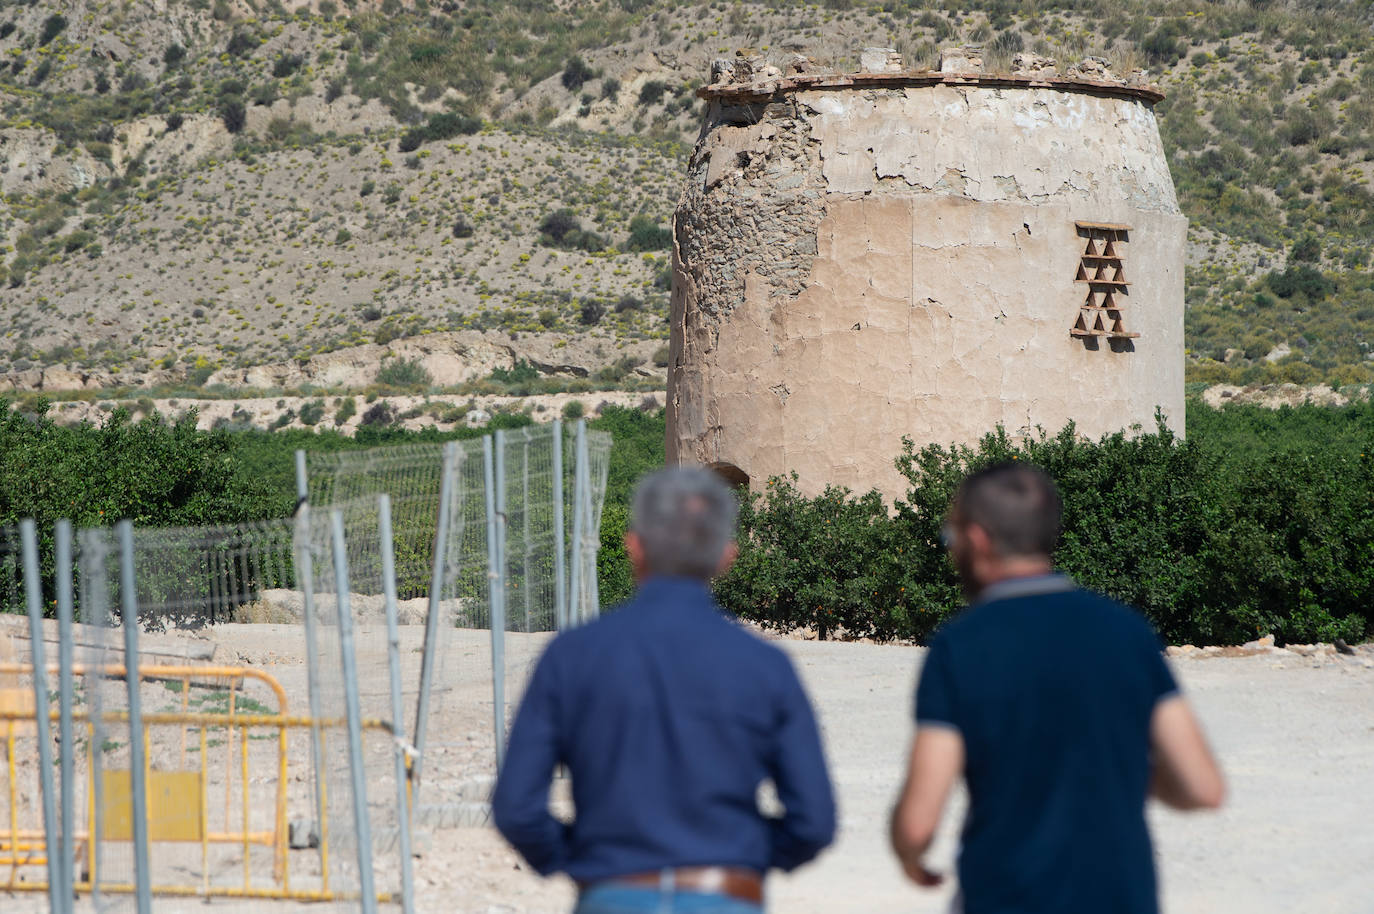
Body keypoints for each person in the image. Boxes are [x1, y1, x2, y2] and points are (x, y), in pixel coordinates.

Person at [492, 467, 836, 913]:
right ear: (726, 556)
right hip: (726, 893)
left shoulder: (571, 656)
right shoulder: (766, 667)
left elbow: (516, 808)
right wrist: (745, 857)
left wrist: (582, 859)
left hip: (613, 892)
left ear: (634, 545)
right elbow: (814, 821)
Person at [890, 461, 1224, 914]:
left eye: (952, 540)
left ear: (978, 539)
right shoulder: (1127, 631)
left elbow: (917, 824)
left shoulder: (960, 646)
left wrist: (909, 857)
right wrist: (1123, 770)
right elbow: (1202, 786)